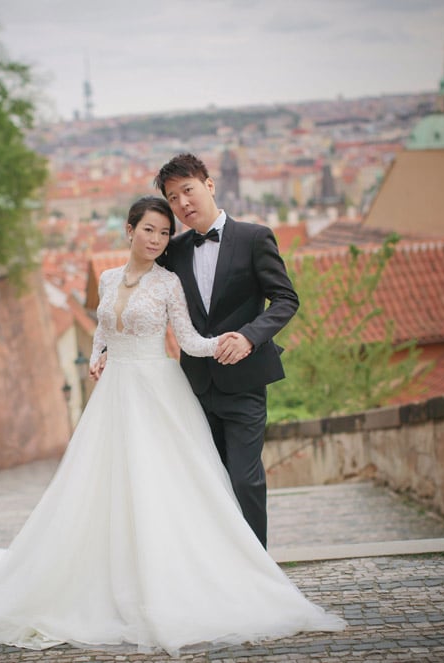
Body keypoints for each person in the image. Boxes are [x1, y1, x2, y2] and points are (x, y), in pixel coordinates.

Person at [0, 196, 345, 655]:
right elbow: (104, 325)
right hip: (115, 393)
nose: (157, 239)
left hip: (158, 390)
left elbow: (186, 338)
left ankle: (213, 573)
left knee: (169, 486)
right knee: (102, 487)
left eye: (164, 233)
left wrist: (232, 341)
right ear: (129, 230)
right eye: (149, 230)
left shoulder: (167, 283)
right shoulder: (106, 279)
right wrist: (100, 353)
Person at [157, 152, 299, 549]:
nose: (183, 203)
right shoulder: (174, 252)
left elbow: (286, 299)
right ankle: (223, 569)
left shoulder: (255, 237)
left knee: (244, 478)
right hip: (195, 387)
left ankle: (258, 569)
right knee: (209, 484)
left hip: (245, 382)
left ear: (209, 185)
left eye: (187, 190)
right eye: (172, 198)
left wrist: (251, 336)